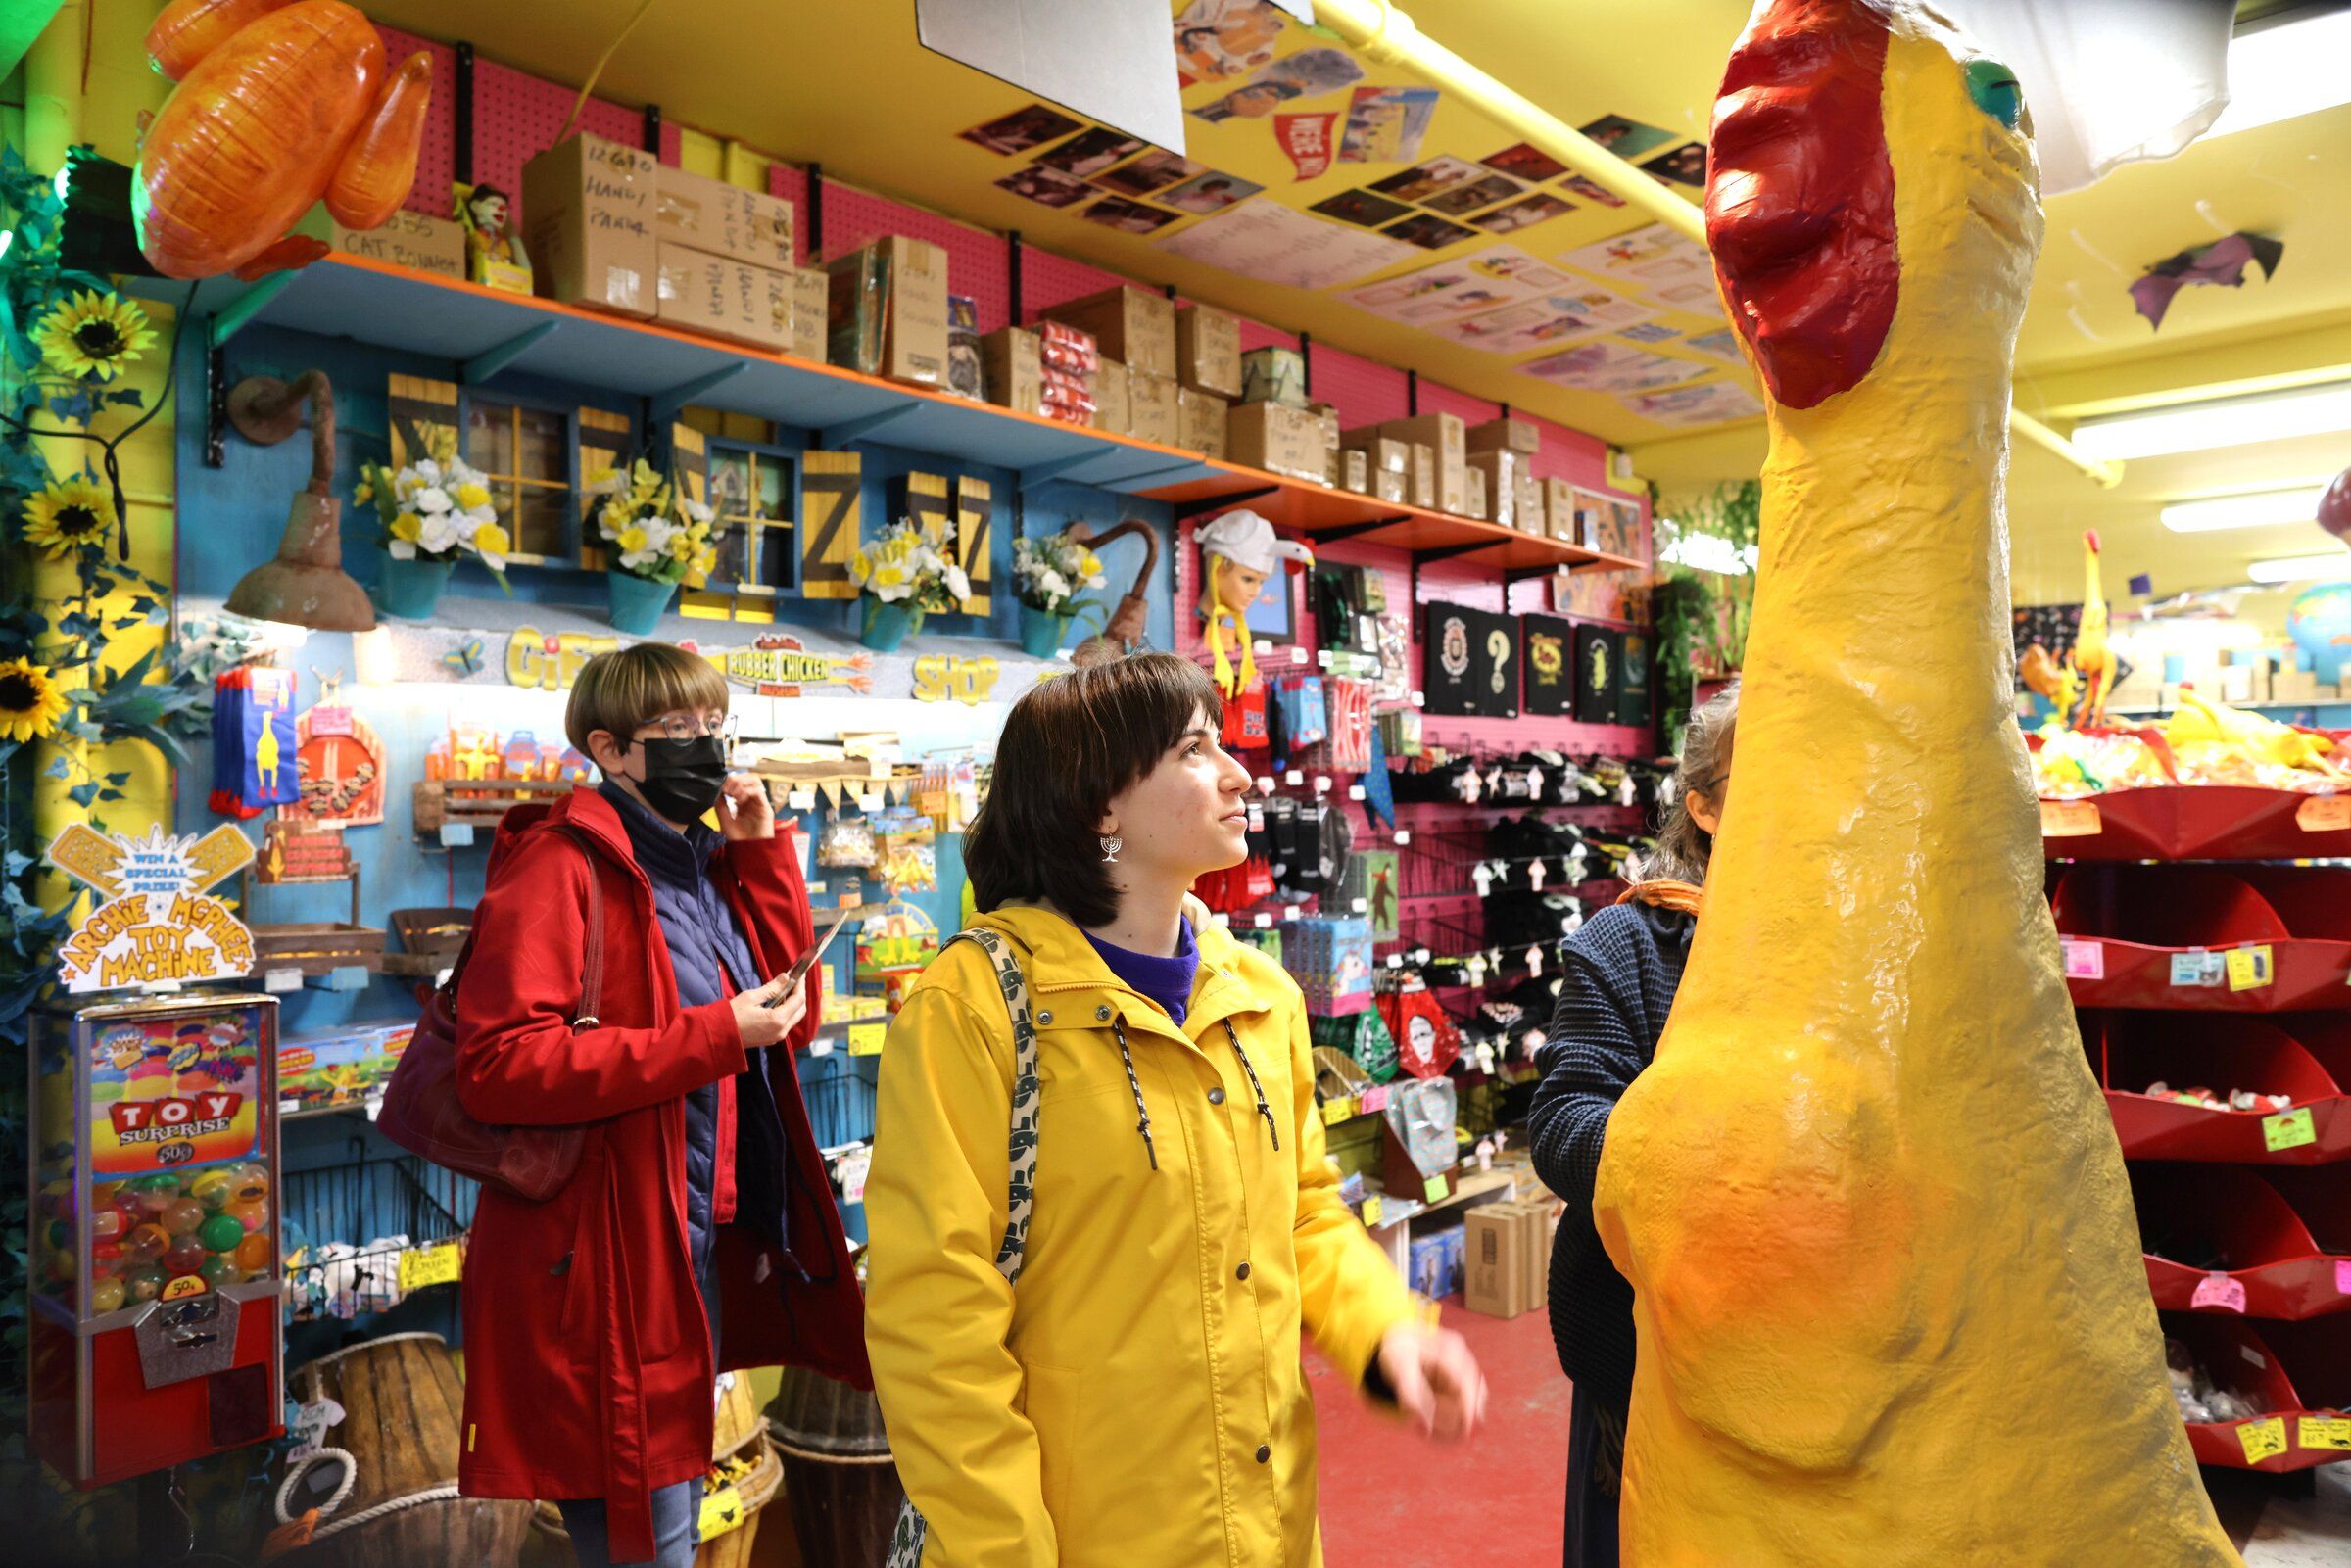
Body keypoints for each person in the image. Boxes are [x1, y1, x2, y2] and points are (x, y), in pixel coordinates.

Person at [866, 649, 1486, 1565]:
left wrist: (1384, 1326)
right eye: (1195, 750)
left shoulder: (1260, 995)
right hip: (1080, 1538)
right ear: (1101, 804)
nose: (1238, 774)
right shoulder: (974, 1008)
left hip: (1264, 1522)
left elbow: (1305, 1210)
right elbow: (936, 1322)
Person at [454, 642, 868, 1567]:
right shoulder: (556, 866)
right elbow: (499, 1065)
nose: (706, 747)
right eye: (676, 730)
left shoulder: (700, 863)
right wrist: (716, 1034)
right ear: (611, 749)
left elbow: (788, 1028)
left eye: (714, 725)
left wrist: (762, 851)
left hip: (693, 1240)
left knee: (666, 1496)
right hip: (604, 1249)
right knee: (650, 1526)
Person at [1526, 682, 1739, 1568]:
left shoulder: (1846, 951)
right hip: (1648, 1346)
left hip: (1813, 1357)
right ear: (1703, 806)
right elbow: (1565, 1122)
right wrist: (1712, 1157)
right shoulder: (1633, 941)